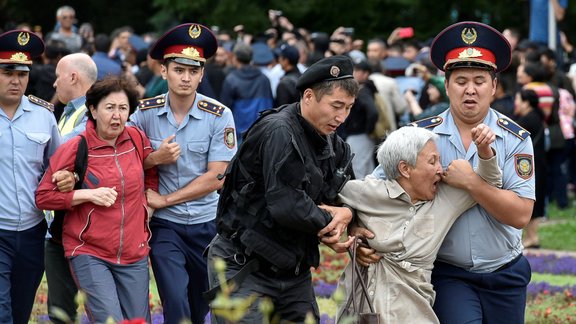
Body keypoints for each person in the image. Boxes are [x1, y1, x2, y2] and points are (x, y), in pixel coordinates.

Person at [355, 21, 535, 323]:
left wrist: (472, 183)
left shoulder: (516, 139)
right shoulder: (419, 136)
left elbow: (519, 215)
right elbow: (375, 188)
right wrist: (356, 230)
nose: (470, 89)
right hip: (449, 274)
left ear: (494, 86)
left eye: (479, 80)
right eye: (461, 80)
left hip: (505, 273)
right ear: (446, 85)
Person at [206, 55, 358, 323]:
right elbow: (287, 205)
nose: (341, 117)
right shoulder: (279, 131)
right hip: (244, 266)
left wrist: (348, 214)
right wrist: (335, 219)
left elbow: (349, 191)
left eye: (348, 108)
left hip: (293, 272)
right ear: (308, 96)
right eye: (336, 106)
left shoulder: (333, 142)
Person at [128, 23, 238, 324]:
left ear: (202, 74)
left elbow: (218, 175)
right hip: (166, 228)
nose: (186, 77)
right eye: (179, 69)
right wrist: (154, 159)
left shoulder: (220, 114)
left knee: (201, 303)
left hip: (207, 224)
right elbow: (126, 161)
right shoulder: (144, 114)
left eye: (194, 70)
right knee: (175, 300)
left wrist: (165, 199)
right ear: (164, 71)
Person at [336, 125, 502, 323]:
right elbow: (326, 200)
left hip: (413, 312)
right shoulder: (369, 192)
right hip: (362, 308)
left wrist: (484, 151)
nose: (440, 169)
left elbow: (490, 184)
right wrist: (350, 219)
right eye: (433, 162)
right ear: (405, 169)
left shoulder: (446, 198)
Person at [36, 76, 158, 322]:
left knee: (138, 321)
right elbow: (44, 196)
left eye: (123, 108)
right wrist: (86, 194)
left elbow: (150, 170)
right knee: (109, 319)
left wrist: (148, 206)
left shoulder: (136, 138)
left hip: (134, 252)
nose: (117, 116)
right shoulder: (76, 146)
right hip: (90, 251)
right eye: (109, 108)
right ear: (92, 109)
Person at [0, 29, 61, 324]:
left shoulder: (44, 115)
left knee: (21, 310)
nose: (16, 81)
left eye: (22, 74)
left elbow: (59, 167)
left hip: (32, 231)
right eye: (7, 72)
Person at [46, 51, 97, 323]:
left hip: (81, 224)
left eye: (57, 77)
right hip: (62, 221)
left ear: (73, 77)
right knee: (62, 307)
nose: (54, 84)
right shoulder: (71, 112)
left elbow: (57, 158)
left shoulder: (91, 113)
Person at [220, 42, 273, 141]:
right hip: (262, 133)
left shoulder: (231, 80)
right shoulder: (264, 79)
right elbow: (271, 106)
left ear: (235, 58)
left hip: (238, 135)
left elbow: (225, 110)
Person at [514, 89, 547, 248]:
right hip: (539, 163)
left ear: (526, 102)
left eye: (519, 100)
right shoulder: (537, 117)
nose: (517, 103)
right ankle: (532, 236)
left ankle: (532, 237)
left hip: (531, 165)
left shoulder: (527, 120)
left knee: (530, 198)